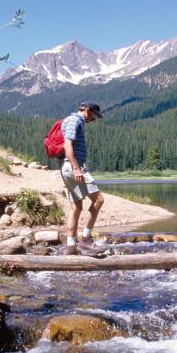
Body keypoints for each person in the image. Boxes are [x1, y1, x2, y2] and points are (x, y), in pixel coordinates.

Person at [60, 101, 105, 255]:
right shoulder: (74, 121)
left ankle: (71, 247)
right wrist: (76, 168)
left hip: (69, 167)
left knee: (77, 207)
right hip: (75, 167)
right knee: (99, 200)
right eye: (93, 115)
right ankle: (85, 240)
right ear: (87, 110)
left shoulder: (73, 121)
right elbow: (67, 145)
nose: (93, 119)